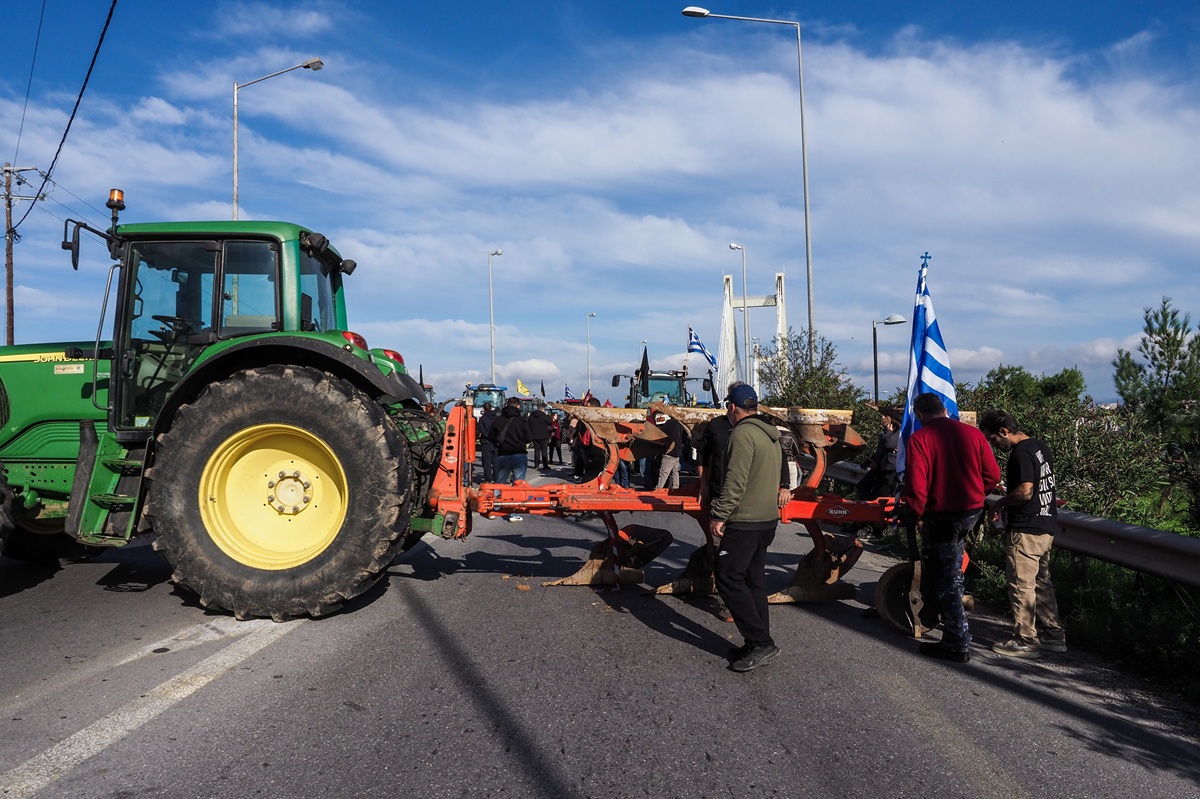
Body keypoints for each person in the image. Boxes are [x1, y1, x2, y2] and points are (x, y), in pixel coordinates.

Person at [901, 392, 1001, 664]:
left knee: (944, 577)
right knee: (953, 565)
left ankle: (957, 642)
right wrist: (976, 495)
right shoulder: (972, 434)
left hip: (941, 516)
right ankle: (956, 613)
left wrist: (917, 514)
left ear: (920, 415)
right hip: (970, 513)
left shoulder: (920, 439)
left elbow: (917, 486)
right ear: (944, 409)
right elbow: (993, 475)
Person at [978, 409, 1067, 659]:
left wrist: (999, 503)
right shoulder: (1040, 446)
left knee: (1021, 584)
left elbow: (1026, 491)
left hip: (1026, 527)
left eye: (994, 439)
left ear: (1004, 431)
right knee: (1042, 582)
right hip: (1046, 525)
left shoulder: (1020, 453)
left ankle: (1025, 638)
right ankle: (1053, 635)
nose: (994, 445)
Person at [709, 383, 784, 673]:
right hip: (766, 519)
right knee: (754, 581)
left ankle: (760, 641)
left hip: (745, 520)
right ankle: (757, 641)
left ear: (732, 407)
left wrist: (719, 515)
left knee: (727, 576)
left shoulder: (741, 434)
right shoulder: (771, 435)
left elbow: (735, 481)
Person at [851, 405, 902, 539]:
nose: (882, 417)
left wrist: (888, 432)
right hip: (881, 467)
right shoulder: (889, 431)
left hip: (890, 470)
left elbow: (890, 444)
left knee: (882, 498)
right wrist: (871, 460)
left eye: (886, 416)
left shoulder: (898, 431)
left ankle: (875, 527)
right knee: (864, 488)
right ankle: (865, 518)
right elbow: (882, 448)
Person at [490, 397, 532, 521]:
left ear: (507, 405)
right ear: (518, 406)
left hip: (503, 454)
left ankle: (494, 509)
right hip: (519, 454)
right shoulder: (522, 421)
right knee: (517, 485)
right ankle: (514, 514)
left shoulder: (498, 420)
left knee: (499, 483)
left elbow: (491, 437)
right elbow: (529, 438)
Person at [652, 411, 687, 489]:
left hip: (670, 452)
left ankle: (659, 489)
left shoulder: (668, 424)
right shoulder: (679, 424)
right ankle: (675, 488)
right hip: (678, 451)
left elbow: (659, 434)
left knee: (663, 472)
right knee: (675, 472)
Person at [477, 401, 498, 484]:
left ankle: (488, 478)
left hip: (486, 441)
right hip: (496, 441)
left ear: (484, 409)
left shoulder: (482, 419)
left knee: (487, 461)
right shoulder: (497, 418)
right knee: (496, 461)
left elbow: (482, 430)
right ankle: (496, 477)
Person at [528, 403, 551, 470]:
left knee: (537, 450)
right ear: (543, 409)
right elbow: (550, 422)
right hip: (544, 435)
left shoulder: (531, 416)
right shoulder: (544, 416)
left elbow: (529, 424)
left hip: (535, 435)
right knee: (544, 451)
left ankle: (536, 465)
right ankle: (545, 465)